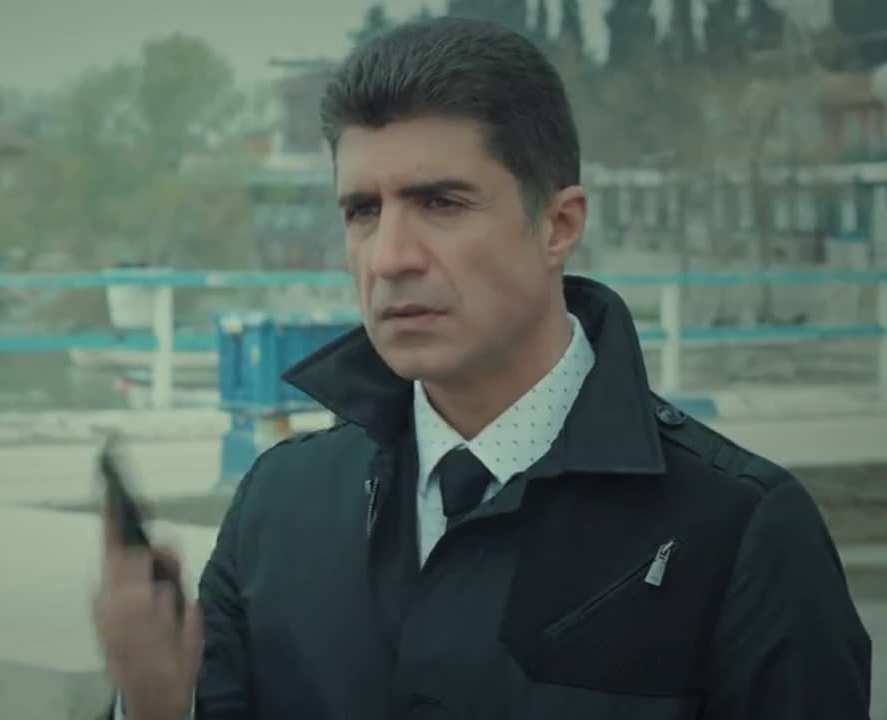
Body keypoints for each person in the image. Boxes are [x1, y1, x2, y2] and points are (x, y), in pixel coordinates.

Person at [92, 16, 873, 720]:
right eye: (363, 211)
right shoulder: (280, 505)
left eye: (441, 203)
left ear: (558, 225)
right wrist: (155, 704)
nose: (390, 258)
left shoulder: (739, 530)